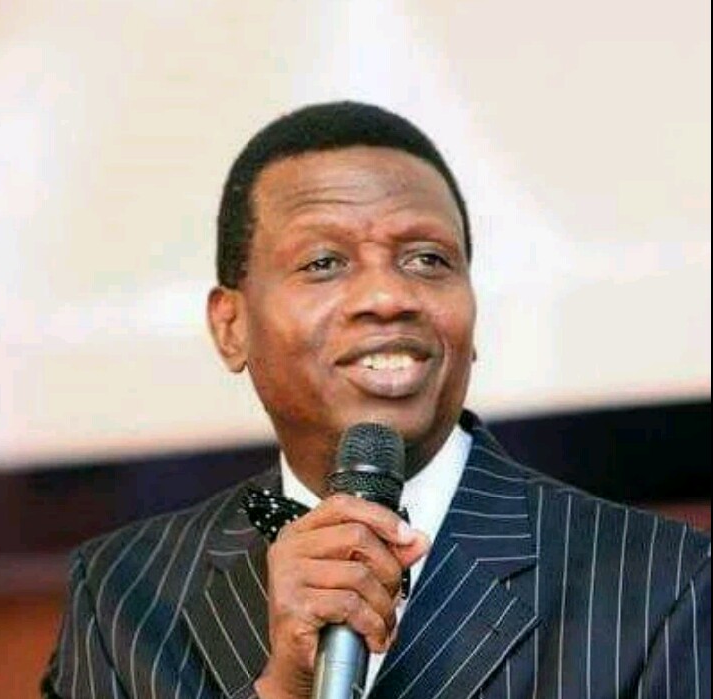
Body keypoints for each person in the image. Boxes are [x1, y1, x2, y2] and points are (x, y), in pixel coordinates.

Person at [42, 101, 710, 699]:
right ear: (231, 325)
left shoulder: (662, 583)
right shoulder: (123, 596)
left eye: (427, 260)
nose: (388, 297)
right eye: (323, 263)